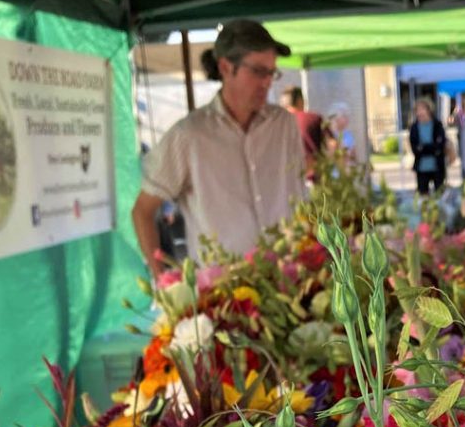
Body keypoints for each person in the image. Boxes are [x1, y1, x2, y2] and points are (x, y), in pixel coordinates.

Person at [132, 19, 305, 272]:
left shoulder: (283, 125)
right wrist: (163, 283)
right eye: (258, 71)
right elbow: (143, 211)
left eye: (271, 72)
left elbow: (298, 197)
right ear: (226, 67)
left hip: (288, 283)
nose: (267, 82)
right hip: (224, 296)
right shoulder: (190, 135)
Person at [280, 85, 328, 180]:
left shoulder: (277, 125)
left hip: (287, 182)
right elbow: (333, 146)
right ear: (300, 101)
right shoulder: (313, 119)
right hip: (314, 180)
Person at [408, 97, 447, 195]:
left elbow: (440, 146)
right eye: (417, 110)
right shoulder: (414, 127)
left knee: (440, 196)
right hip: (421, 168)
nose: (419, 112)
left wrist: (423, 148)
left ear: (429, 110)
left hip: (437, 167)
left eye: (422, 109)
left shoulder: (437, 125)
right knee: (423, 198)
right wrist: (431, 148)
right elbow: (414, 149)